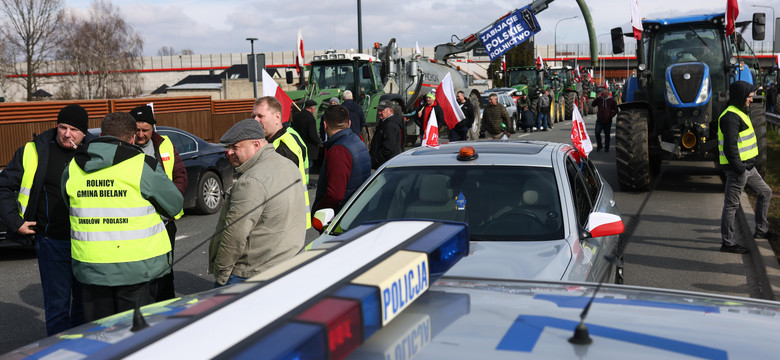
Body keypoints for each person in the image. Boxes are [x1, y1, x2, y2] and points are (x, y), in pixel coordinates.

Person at [62, 112, 182, 321]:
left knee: (102, 340)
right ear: (132, 137)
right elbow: (174, 205)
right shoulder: (142, 165)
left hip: (92, 269)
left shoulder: (73, 167)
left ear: (100, 134)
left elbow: (68, 204)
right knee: (136, 341)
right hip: (137, 269)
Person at [0, 104, 94, 335]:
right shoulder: (35, 150)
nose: (66, 133)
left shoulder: (96, 151)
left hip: (91, 243)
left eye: (73, 129)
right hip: (52, 242)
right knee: (58, 308)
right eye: (62, 127)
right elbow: (3, 187)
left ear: (84, 132)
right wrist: (15, 221)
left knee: (86, 307)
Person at [209, 119, 306, 286]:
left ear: (255, 145)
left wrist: (222, 274)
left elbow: (235, 234)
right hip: (288, 263)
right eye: (228, 148)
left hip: (251, 273)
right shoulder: (289, 165)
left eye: (235, 147)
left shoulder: (251, 180)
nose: (229, 152)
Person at [128, 105, 187, 301]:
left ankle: (167, 314)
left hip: (164, 223)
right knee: (140, 277)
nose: (141, 134)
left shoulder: (165, 144)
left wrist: (171, 204)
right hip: (136, 227)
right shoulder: (124, 149)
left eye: (145, 130)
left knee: (164, 274)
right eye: (136, 130)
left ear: (153, 128)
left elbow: (180, 175)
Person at [718, 81, 774, 254]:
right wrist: (739, 169)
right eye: (749, 95)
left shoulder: (739, 112)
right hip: (739, 169)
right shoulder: (730, 117)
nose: (751, 99)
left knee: (766, 192)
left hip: (748, 168)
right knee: (731, 206)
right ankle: (728, 243)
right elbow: (730, 147)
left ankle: (761, 229)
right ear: (740, 96)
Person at [252, 96, 311, 228]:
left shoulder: (281, 147)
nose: (256, 121)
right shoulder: (291, 134)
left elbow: (279, 193)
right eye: (253, 116)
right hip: (293, 220)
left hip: (285, 224)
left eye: (261, 116)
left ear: (277, 117)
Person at [312, 105, 371, 213]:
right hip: (357, 210)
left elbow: (335, 195)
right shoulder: (357, 142)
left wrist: (319, 211)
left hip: (341, 216)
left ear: (325, 125)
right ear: (349, 123)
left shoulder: (338, 150)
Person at [292, 99, 323, 186]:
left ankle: (301, 181)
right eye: (315, 108)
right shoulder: (310, 118)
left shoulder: (296, 116)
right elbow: (312, 134)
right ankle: (306, 182)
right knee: (308, 165)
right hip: (309, 146)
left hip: (298, 144)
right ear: (312, 108)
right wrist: (319, 142)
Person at [370, 100, 404, 169]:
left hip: (386, 164)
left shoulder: (390, 125)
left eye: (381, 110)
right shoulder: (385, 122)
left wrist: (376, 159)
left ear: (390, 111)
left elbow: (388, 148)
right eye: (378, 110)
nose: (379, 112)